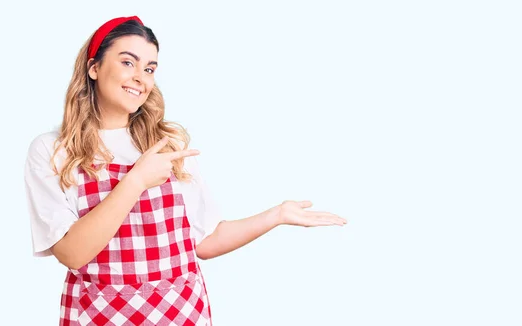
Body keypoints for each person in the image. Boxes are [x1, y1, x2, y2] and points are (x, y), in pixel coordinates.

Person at [24, 15, 347, 326]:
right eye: (128, 62)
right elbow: (72, 253)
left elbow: (203, 242)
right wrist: (136, 180)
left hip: (181, 314)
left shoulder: (168, 145)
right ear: (94, 68)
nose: (141, 77)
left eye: (150, 68)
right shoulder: (53, 150)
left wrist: (276, 215)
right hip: (100, 315)